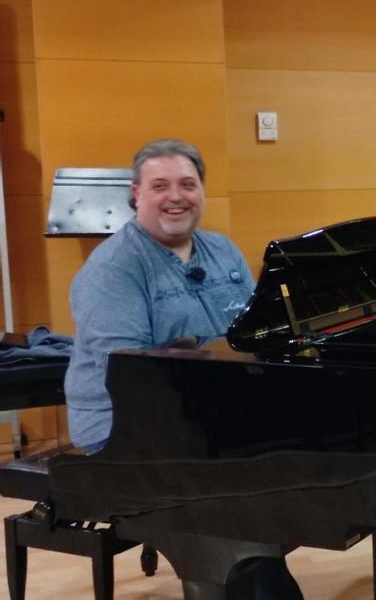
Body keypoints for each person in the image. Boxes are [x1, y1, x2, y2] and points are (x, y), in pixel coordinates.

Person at [64, 138, 303, 599]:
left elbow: (255, 335)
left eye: (187, 184)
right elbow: (128, 377)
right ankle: (231, 570)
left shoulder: (222, 251)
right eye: (160, 185)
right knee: (237, 506)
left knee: (300, 469)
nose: (176, 196)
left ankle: (248, 563)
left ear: (202, 191)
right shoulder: (114, 268)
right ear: (136, 194)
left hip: (211, 418)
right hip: (123, 431)